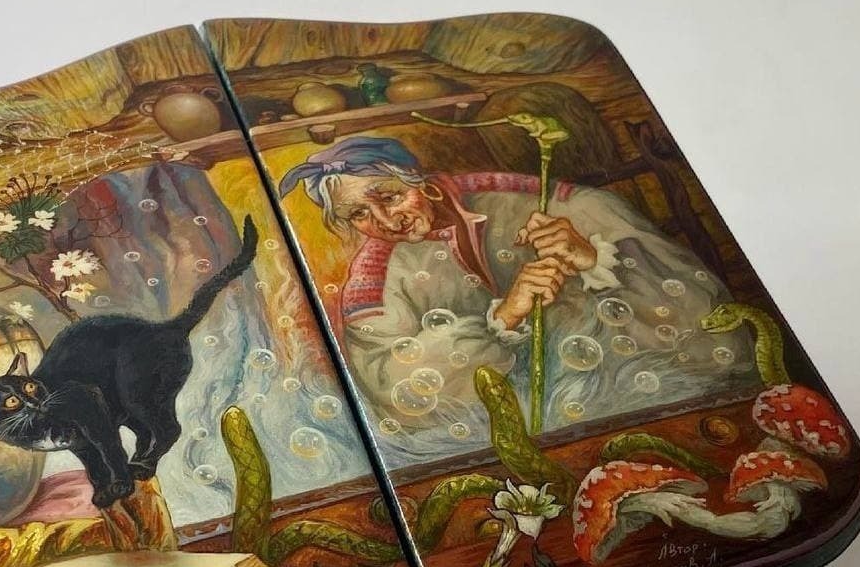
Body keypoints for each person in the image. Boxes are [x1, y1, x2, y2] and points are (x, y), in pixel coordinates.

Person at [278, 136, 757, 459]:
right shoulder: (375, 276)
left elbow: (701, 307)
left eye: (389, 196)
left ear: (417, 180)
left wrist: (592, 259)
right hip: (530, 433)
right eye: (358, 214)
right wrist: (503, 319)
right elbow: (392, 389)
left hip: (644, 393)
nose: (385, 222)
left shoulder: (540, 202)